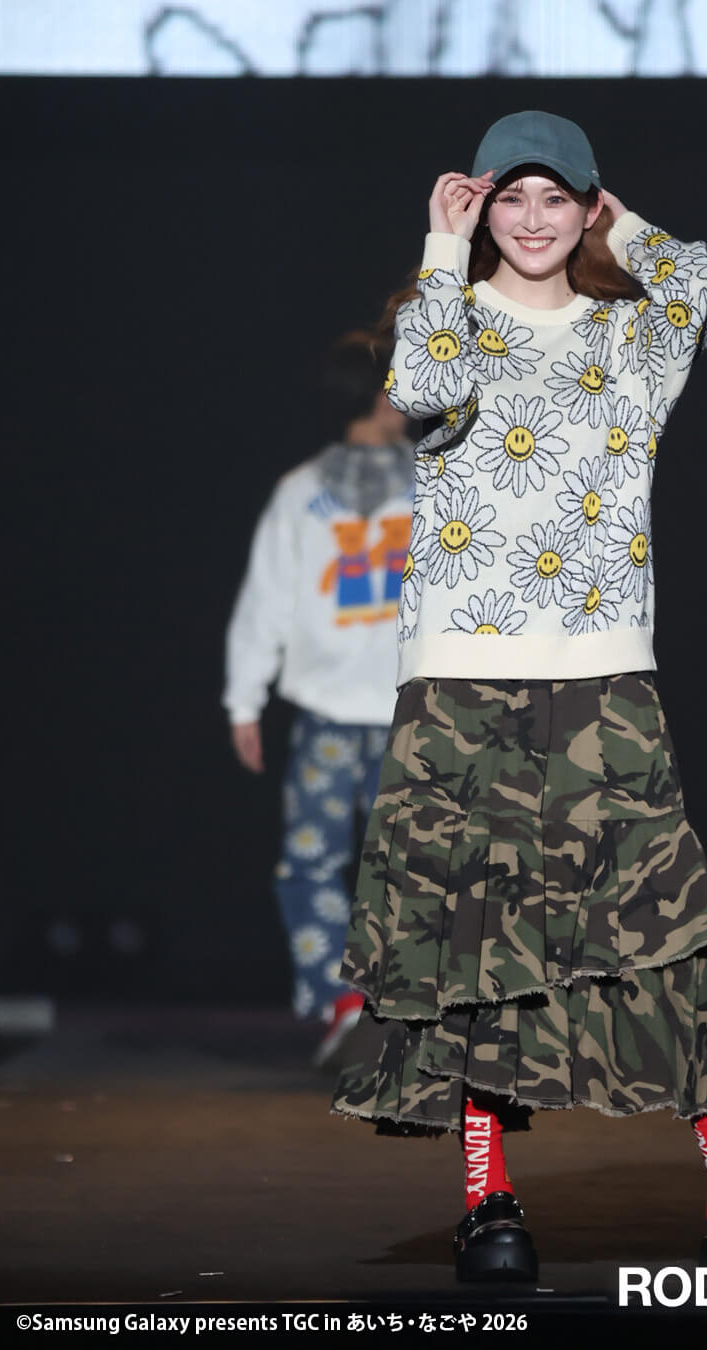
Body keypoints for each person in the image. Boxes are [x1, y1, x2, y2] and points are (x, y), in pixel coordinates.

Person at [330, 111, 707, 1281]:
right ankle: (488, 1198)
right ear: (479, 206)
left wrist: (620, 219)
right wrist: (441, 246)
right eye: (511, 196)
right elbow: (421, 386)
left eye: (557, 196)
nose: (534, 218)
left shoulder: (632, 337)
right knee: (476, 938)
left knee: (663, 932)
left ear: (589, 206)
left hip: (604, 673)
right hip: (463, 674)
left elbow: (703, 284)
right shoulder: (446, 313)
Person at [224, 331, 414, 1068]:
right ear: (381, 395)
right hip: (358, 711)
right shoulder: (308, 491)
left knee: (392, 867)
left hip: (397, 710)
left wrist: (246, 701)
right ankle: (357, 1004)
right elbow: (267, 598)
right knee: (329, 864)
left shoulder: (431, 479)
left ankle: (391, 1006)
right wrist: (244, 699)